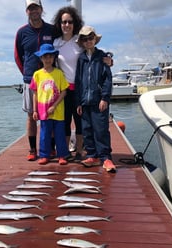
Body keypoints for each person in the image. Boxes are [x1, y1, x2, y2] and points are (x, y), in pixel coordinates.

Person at [14, 0, 55, 161]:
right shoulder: (22, 32)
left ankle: (51, 148)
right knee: (31, 116)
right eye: (30, 8)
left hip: (51, 79)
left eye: (36, 8)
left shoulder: (51, 30)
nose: (33, 11)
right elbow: (18, 56)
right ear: (27, 12)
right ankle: (32, 149)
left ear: (41, 9)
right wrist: (27, 74)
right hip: (30, 80)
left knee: (51, 114)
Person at [75, 26, 116, 173]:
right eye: (85, 39)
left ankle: (105, 157)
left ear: (95, 39)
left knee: (101, 129)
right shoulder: (81, 59)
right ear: (82, 42)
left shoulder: (102, 56)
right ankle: (92, 155)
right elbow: (78, 81)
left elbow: (107, 79)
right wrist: (78, 102)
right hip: (85, 102)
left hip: (99, 100)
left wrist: (105, 98)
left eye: (90, 38)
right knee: (87, 130)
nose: (88, 41)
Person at [52, 6, 84, 162]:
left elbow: (94, 53)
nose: (66, 25)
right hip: (63, 90)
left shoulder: (80, 41)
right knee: (64, 122)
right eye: (63, 22)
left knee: (79, 122)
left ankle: (79, 152)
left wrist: (108, 58)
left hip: (78, 89)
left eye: (70, 22)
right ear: (59, 24)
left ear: (74, 23)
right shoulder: (56, 43)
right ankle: (64, 152)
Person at [29, 44, 70, 165]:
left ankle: (62, 155)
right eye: (45, 57)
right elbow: (35, 93)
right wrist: (35, 110)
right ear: (41, 59)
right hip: (43, 111)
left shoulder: (59, 73)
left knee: (59, 134)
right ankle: (44, 155)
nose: (47, 59)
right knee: (44, 134)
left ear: (54, 58)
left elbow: (64, 91)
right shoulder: (37, 74)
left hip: (57, 110)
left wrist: (55, 105)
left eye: (50, 56)